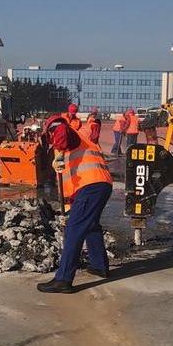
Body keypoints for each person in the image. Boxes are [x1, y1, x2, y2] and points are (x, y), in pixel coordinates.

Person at [37, 114, 113, 293]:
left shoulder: (63, 130)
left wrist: (60, 153)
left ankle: (63, 279)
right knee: (91, 226)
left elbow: (61, 128)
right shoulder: (82, 138)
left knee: (74, 229)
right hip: (99, 185)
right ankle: (99, 266)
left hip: (91, 186)